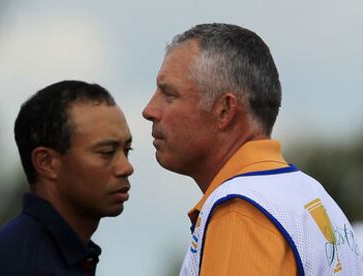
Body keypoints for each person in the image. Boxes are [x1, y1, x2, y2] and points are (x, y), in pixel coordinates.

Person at [142, 23, 363, 275]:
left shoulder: (241, 208)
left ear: (224, 110)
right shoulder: (313, 197)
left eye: (169, 95)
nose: (149, 110)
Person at [0, 80, 134, 275]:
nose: (126, 167)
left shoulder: (59, 255)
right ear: (46, 162)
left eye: (127, 150)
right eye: (106, 152)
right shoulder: (25, 265)